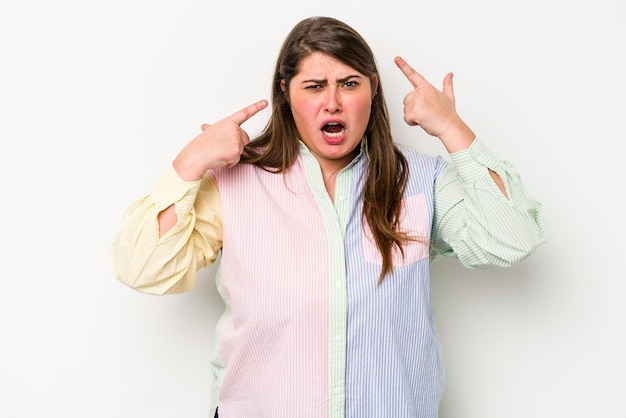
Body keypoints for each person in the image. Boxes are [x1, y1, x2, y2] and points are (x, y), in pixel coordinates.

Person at [111, 16, 546, 418]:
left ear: (373, 90)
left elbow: (513, 239)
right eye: (315, 86)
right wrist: (190, 163)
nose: (333, 103)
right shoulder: (234, 183)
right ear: (286, 92)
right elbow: (142, 269)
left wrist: (453, 128)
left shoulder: (420, 180)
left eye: (349, 83)